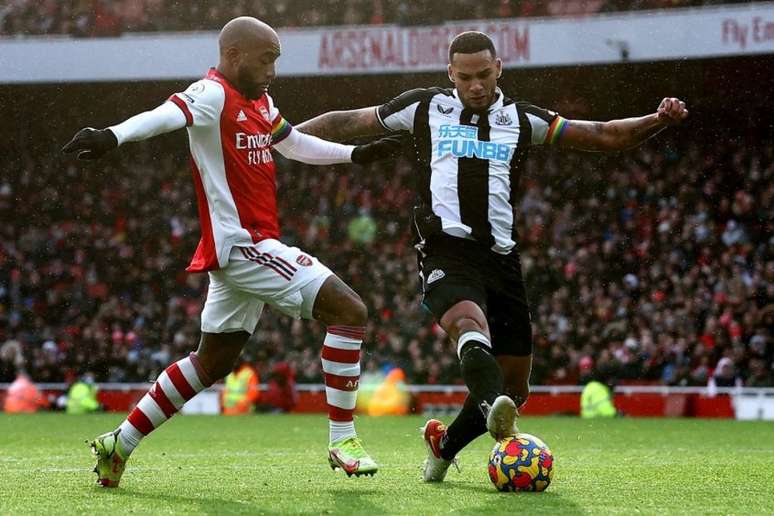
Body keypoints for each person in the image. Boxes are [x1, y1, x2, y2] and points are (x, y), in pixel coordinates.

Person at [296, 31, 688, 482]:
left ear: (499, 68)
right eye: (465, 77)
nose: (476, 85)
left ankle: (444, 444)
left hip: (502, 258)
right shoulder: (424, 107)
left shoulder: (523, 119)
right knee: (467, 324)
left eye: (484, 74)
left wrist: (657, 119)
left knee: (515, 386)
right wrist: (282, 138)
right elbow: (347, 122)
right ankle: (496, 414)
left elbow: (600, 135)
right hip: (444, 246)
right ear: (450, 75)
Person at [62, 17, 397, 487]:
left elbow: (292, 143)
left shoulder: (260, 101)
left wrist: (354, 155)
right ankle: (343, 438)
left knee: (212, 362)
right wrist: (111, 135)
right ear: (235, 54)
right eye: (267, 59)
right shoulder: (212, 93)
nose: (273, 71)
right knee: (348, 309)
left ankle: (119, 443)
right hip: (244, 245)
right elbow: (164, 115)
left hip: (246, 248)